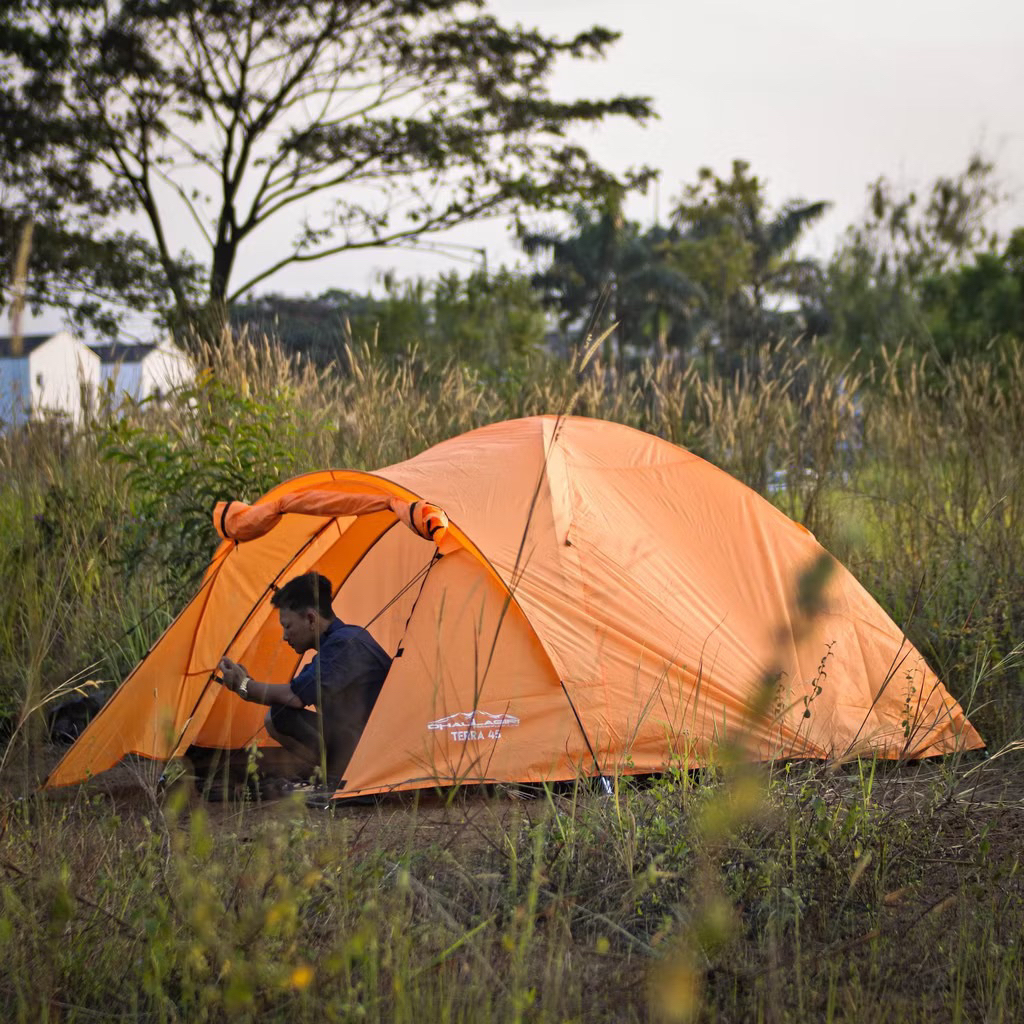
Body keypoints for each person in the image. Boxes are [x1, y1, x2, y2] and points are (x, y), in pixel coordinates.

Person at [215, 571, 392, 794]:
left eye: (288, 626)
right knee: (279, 715)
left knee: (281, 715)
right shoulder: (334, 645)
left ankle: (336, 779)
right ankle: (327, 776)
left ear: (311, 619)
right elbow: (299, 690)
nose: (284, 636)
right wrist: (246, 683)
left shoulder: (344, 644)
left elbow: (295, 697)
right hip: (365, 740)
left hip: (378, 748)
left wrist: (243, 686)